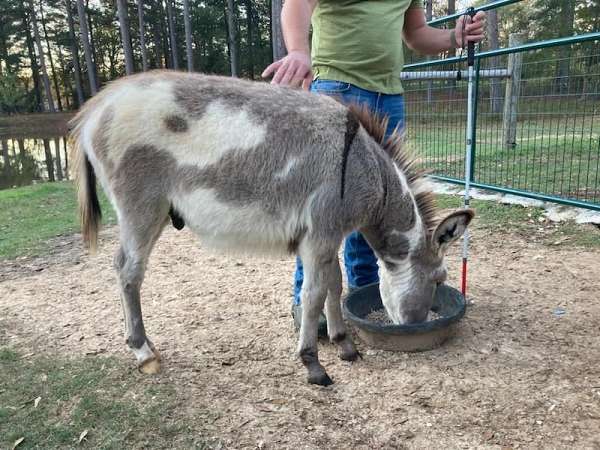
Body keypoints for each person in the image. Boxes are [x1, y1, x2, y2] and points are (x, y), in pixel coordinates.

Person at [262, 0, 486, 335]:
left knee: (380, 207)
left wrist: (454, 37)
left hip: (389, 96)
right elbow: (297, 4)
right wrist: (298, 51)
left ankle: (364, 294)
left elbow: (415, 34)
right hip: (337, 89)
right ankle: (307, 303)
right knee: (326, 207)